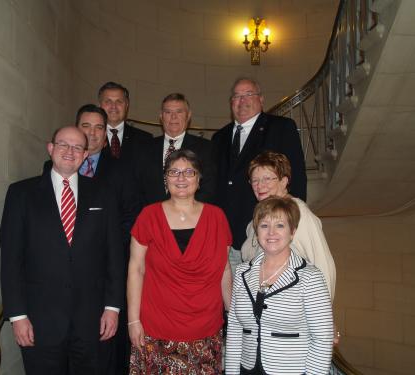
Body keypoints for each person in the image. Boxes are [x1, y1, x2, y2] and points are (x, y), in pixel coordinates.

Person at [0, 126, 125, 374]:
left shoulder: (105, 194)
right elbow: (11, 259)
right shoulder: (21, 194)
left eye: (78, 146)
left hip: (92, 320)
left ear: (85, 154)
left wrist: (112, 308)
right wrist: (17, 316)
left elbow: (115, 255)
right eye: (63, 144)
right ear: (50, 148)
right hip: (39, 322)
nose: (70, 151)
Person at [127, 149, 232, 373]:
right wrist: (133, 320)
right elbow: (136, 269)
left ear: (199, 178)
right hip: (156, 327)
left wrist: (233, 314)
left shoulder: (217, 218)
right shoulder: (148, 215)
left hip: (206, 327)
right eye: (174, 172)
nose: (181, 178)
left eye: (188, 172)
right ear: (165, 179)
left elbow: (224, 269)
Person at [226, 196, 333, 374]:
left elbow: (322, 339)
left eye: (280, 225)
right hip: (247, 368)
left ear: (292, 231)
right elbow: (236, 330)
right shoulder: (243, 272)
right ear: (257, 230)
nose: (271, 232)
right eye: (264, 225)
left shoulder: (310, 277)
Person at [212, 77, 307, 272]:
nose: (242, 100)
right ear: (231, 103)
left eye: (248, 94)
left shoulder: (281, 128)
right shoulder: (218, 137)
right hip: (224, 240)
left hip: (264, 235)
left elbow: (296, 178)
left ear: (261, 99)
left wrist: (290, 222)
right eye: (236, 96)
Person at [76, 103, 141, 374]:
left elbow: (131, 217)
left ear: (106, 135)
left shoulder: (123, 171)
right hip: (65, 281)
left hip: (107, 273)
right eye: (85, 126)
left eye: (99, 128)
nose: (92, 133)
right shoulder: (53, 167)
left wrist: (106, 249)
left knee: (107, 348)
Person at [241, 151, 336, 299]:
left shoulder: (298, 212)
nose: (260, 185)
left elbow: (323, 264)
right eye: (255, 180)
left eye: (267, 179)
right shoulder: (257, 218)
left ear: (284, 182)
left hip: (293, 308)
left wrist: (322, 314)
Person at [138, 93, 216, 205]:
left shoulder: (206, 148)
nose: (173, 117)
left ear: (188, 116)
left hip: (191, 217)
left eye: (179, 112)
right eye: (168, 112)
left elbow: (208, 189)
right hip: (152, 217)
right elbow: (137, 189)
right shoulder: (144, 148)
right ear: (161, 116)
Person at [98, 81, 152, 161]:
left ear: (127, 106)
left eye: (119, 101)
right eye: (108, 102)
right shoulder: (89, 137)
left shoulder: (145, 140)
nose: (113, 106)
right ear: (100, 105)